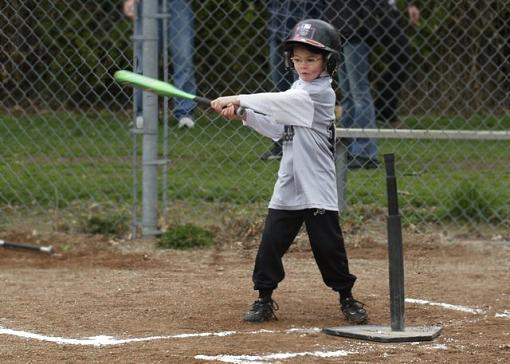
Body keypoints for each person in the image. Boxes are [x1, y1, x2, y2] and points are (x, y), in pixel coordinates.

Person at [211, 19, 368, 324]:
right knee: (271, 244)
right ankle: (264, 299)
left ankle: (346, 297)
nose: (303, 65)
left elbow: (283, 103)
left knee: (328, 248)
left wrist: (239, 98)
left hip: (316, 186)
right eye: (297, 59)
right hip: (289, 183)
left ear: (327, 61)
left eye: (311, 59)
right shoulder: (299, 88)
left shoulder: (319, 94)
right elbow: (278, 129)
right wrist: (244, 115)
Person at [325, 1, 419, 169]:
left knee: (359, 92)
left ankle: (365, 152)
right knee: (348, 95)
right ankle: (346, 148)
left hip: (357, 29)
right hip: (338, 29)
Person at [260, 0, 325, 161]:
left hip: (308, 36)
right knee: (279, 92)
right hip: (279, 27)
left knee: (303, 95)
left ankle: (307, 146)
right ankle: (281, 144)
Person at [123, 0, 197, 128]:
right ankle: (143, 113)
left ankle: (185, 114)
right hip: (145, 3)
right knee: (145, 60)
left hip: (179, 3)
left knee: (183, 58)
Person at [374, 1, 420, 127]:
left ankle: (383, 112)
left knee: (401, 58)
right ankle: (384, 113)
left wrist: (410, 4)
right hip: (377, 9)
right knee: (402, 55)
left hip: (390, 10)